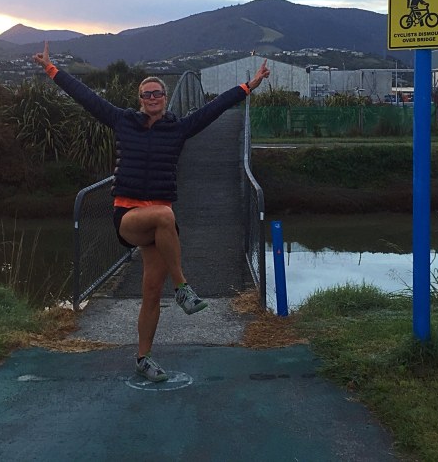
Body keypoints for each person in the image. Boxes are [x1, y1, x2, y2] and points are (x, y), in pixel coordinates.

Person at [33, 42, 270, 382]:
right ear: (140, 99)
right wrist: (51, 69)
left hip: (160, 229)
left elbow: (214, 108)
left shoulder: (178, 128)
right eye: (147, 94)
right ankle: (183, 287)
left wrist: (249, 86)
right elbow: (86, 97)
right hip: (129, 216)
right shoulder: (123, 121)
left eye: (158, 93)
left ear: (165, 96)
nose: (153, 97)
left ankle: (143, 358)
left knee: (151, 293)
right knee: (164, 215)